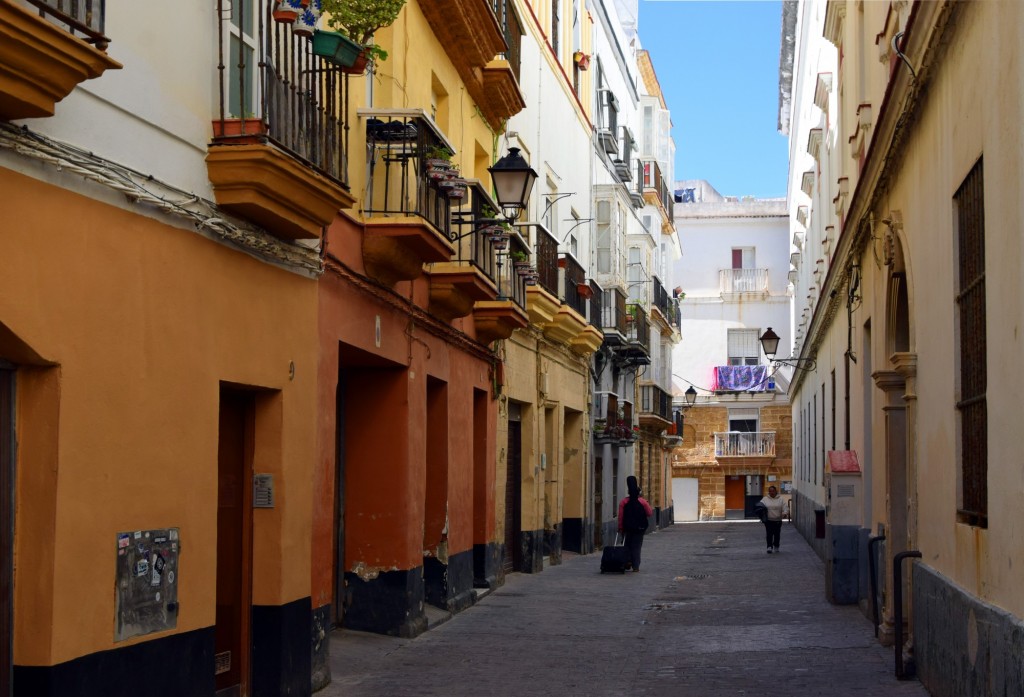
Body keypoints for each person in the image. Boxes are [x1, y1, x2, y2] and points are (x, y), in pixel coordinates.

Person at [617, 476, 653, 572]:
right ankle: (636, 566)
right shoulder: (642, 502)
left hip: (627, 527)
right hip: (640, 528)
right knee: (636, 546)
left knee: (627, 544)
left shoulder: (623, 502)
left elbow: (620, 516)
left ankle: (627, 561)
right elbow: (649, 513)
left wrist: (620, 527)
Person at [760, 485, 787, 553]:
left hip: (777, 520)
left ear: (776, 491)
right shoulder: (765, 499)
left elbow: (785, 507)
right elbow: (760, 506)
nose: (771, 492)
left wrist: (785, 513)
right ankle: (769, 547)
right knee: (769, 534)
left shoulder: (781, 499)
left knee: (777, 534)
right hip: (768, 520)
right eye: (770, 491)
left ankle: (776, 546)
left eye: (773, 491)